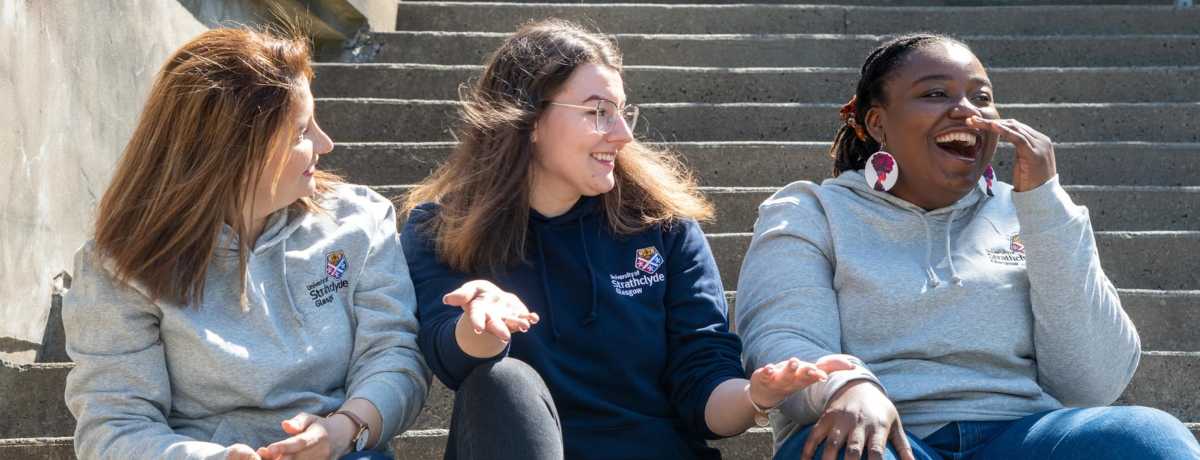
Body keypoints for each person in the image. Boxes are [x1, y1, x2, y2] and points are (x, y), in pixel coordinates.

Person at [400, 19, 854, 460]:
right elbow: (452, 361)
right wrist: (479, 323)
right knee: (502, 382)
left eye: (621, 110)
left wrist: (755, 395)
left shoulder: (662, 226)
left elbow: (702, 380)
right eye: (599, 111)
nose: (623, 133)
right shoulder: (441, 229)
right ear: (531, 120)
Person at [736, 33, 1200, 460]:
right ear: (877, 122)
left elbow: (1094, 383)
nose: (967, 111)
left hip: (1024, 434)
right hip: (884, 434)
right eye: (936, 94)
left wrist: (1044, 204)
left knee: (1149, 438)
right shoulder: (811, 210)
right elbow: (784, 341)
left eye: (982, 98)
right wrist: (845, 384)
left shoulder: (1031, 212)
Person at [62, 28, 429, 460]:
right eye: (301, 132)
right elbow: (114, 426)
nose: (325, 144)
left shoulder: (360, 220)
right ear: (231, 150)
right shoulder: (119, 264)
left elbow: (394, 354)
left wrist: (341, 429)